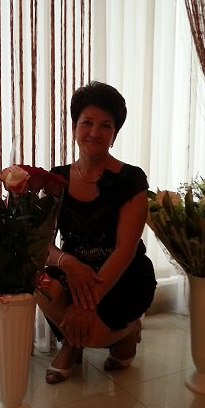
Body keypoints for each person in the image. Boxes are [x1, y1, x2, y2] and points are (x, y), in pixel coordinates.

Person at [36, 81, 157, 384]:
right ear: (74, 127)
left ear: (114, 134)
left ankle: (125, 331)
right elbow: (41, 243)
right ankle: (73, 342)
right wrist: (67, 262)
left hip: (122, 275)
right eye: (87, 122)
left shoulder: (131, 179)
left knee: (93, 332)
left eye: (106, 125)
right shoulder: (57, 178)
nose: (95, 132)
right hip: (75, 271)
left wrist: (85, 304)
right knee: (38, 283)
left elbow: (125, 250)